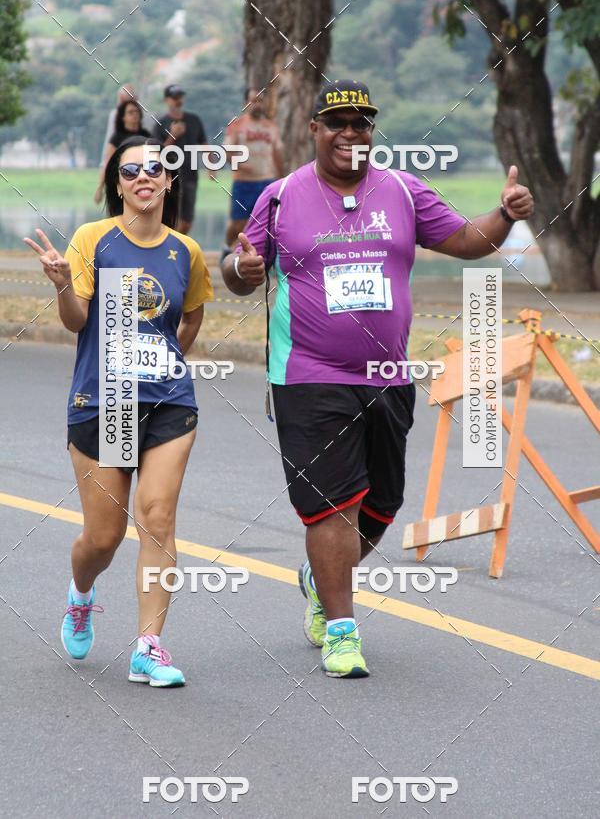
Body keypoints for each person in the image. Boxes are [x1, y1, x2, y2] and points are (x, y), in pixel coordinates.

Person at [222, 79, 534, 679]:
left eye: (361, 122)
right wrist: (242, 266)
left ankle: (321, 576)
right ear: (313, 129)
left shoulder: (402, 190)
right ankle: (341, 627)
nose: (349, 133)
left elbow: (468, 241)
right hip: (308, 375)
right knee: (330, 506)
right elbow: (237, 268)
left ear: (372, 131)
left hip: (387, 376)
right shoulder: (282, 197)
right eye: (337, 122)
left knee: (382, 502)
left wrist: (506, 215)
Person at [25, 135, 214, 687]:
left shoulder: (186, 250)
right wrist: (64, 286)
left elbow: (193, 318)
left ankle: (148, 647)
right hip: (106, 402)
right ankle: (81, 594)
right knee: (103, 538)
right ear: (117, 185)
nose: (143, 178)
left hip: (169, 402)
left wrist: (164, 360)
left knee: (157, 519)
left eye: (154, 168)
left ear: (169, 180)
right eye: (130, 171)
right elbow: (77, 322)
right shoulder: (94, 239)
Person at [220, 87, 284, 263]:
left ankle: (266, 258)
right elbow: (226, 153)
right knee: (239, 223)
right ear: (245, 103)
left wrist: (281, 178)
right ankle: (227, 248)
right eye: (253, 100)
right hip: (244, 182)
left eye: (260, 100)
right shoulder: (236, 126)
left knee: (269, 222)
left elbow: (277, 154)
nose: (257, 104)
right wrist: (240, 165)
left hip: (268, 182)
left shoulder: (271, 127)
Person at [152, 84, 208, 235]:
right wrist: (172, 135)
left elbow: (204, 143)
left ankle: (175, 247)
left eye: (180, 97)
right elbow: (156, 153)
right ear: (167, 100)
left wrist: (211, 166)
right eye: (175, 98)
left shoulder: (194, 120)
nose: (178, 101)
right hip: (169, 176)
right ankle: (168, 251)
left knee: (187, 220)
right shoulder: (160, 123)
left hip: (190, 175)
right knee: (170, 217)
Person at [94, 99, 150, 203]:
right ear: (123, 117)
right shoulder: (117, 137)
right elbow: (107, 163)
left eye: (136, 111)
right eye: (130, 112)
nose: (134, 114)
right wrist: (100, 188)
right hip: (121, 182)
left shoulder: (146, 135)